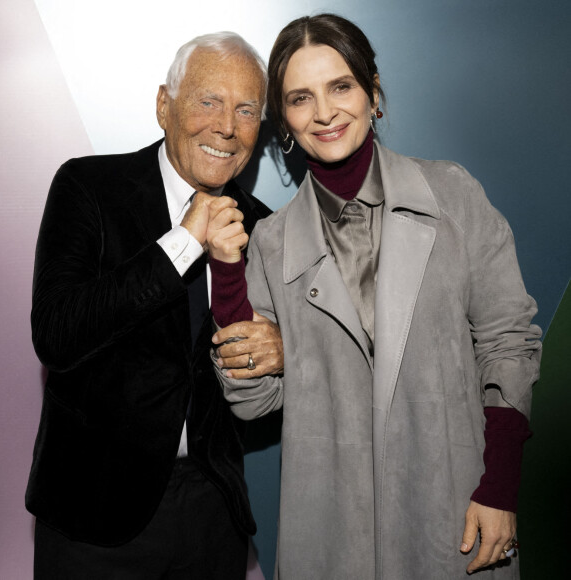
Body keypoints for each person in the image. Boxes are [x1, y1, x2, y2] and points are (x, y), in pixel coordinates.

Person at [210, 14, 541, 580]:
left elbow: (508, 343)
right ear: (283, 121)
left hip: (456, 517)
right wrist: (226, 272)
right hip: (331, 536)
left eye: (341, 86)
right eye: (299, 98)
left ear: (373, 90)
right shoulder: (269, 241)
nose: (325, 112)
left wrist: (500, 487)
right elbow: (252, 400)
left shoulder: (453, 195)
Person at [25, 32, 283, 580]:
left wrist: (286, 349)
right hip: (92, 517)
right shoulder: (88, 186)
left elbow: (272, 374)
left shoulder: (266, 230)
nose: (226, 127)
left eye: (245, 110)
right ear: (164, 105)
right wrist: (183, 242)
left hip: (214, 516)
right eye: (208, 101)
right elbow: (56, 334)